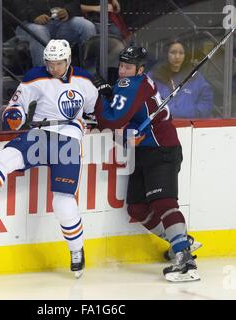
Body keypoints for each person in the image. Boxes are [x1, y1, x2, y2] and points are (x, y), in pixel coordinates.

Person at [0, 39, 99, 279]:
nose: (53, 68)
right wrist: (14, 115)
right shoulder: (35, 76)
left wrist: (94, 120)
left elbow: (93, 112)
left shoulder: (84, 80)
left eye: (58, 63)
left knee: (62, 201)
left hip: (69, 140)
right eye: (50, 63)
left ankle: (76, 251)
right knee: (7, 157)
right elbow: (17, 105)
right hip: (41, 134)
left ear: (68, 59)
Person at [94, 45, 201, 282]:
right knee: (138, 208)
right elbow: (126, 111)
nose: (122, 71)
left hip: (161, 149)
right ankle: (181, 240)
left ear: (140, 69)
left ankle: (185, 260)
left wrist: (100, 96)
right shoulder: (139, 82)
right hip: (143, 152)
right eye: (121, 65)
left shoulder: (131, 84)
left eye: (128, 67)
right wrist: (109, 95)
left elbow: (113, 120)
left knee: (163, 202)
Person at [12, 0, 96, 66]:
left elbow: (74, 2)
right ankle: (43, 78)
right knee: (39, 32)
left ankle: (90, 74)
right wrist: (33, 16)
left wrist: (67, 11)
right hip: (29, 22)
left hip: (60, 21)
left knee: (87, 26)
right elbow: (16, 5)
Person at [149, 39, 214, 119]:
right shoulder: (154, 76)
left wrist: (196, 112)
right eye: (173, 52)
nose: (177, 57)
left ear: (185, 55)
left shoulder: (194, 75)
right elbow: (146, 101)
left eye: (181, 53)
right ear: (166, 54)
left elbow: (206, 100)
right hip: (162, 124)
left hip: (190, 125)